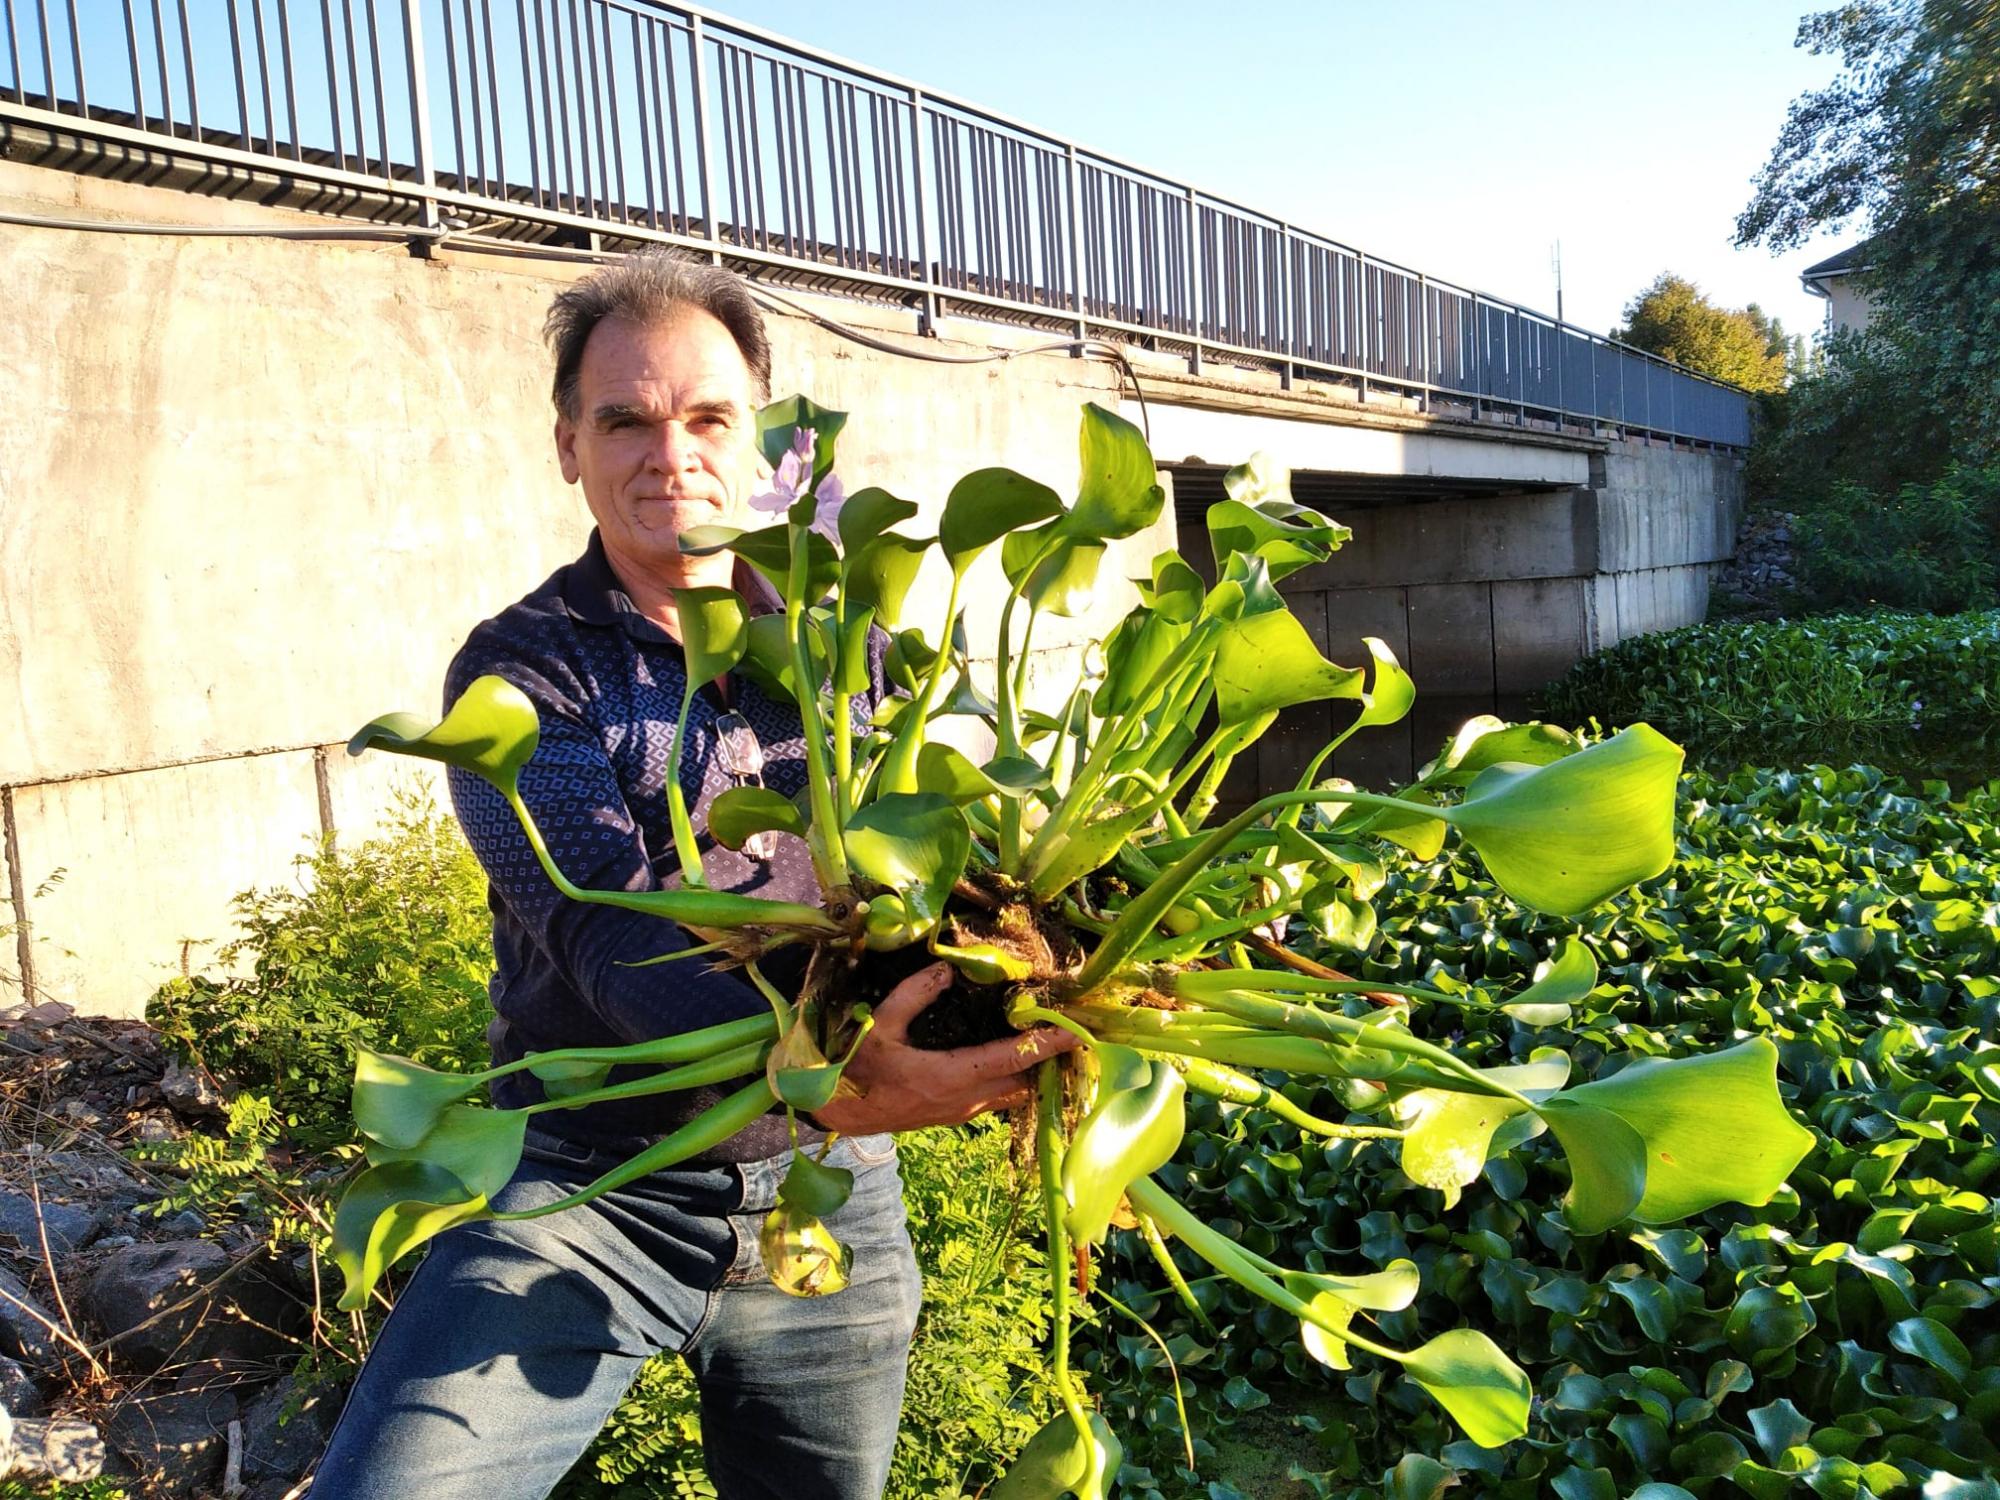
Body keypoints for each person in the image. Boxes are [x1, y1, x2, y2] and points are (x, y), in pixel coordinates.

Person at [308, 250, 1075, 1500]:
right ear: (569, 445)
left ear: (763, 437)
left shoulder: (849, 645)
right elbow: (601, 941)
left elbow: (947, 874)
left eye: (709, 416)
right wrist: (831, 1085)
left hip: (826, 1197)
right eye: (625, 419)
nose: (671, 453)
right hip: (583, 1178)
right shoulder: (522, 674)